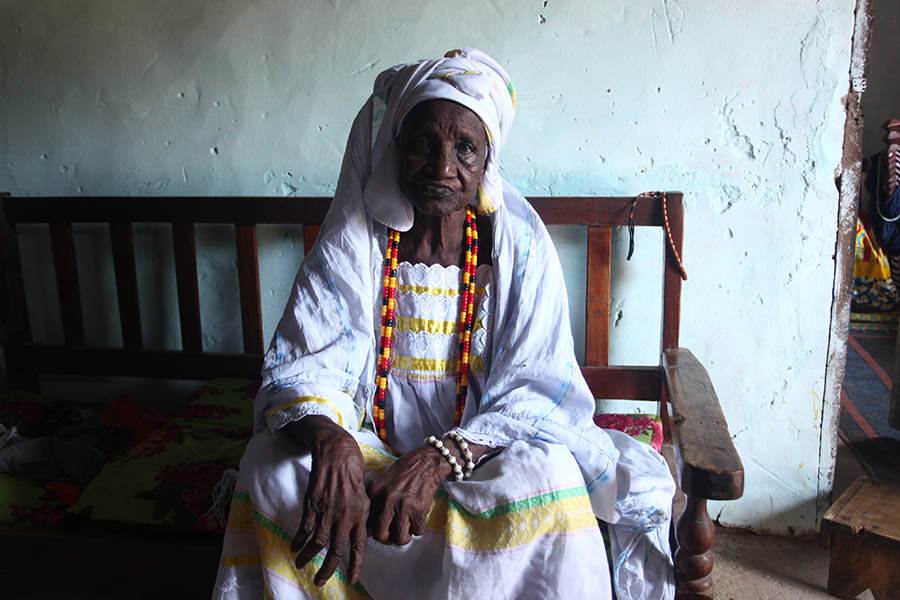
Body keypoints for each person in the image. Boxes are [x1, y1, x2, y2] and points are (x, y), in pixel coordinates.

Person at [214, 48, 675, 600]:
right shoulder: (357, 240)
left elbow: (539, 388)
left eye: (465, 149)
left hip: (481, 458)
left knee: (549, 479)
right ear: (397, 148)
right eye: (423, 144)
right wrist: (333, 438)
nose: (442, 167)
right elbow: (305, 365)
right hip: (371, 453)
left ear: (487, 162)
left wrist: (443, 456)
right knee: (267, 463)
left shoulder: (518, 244)